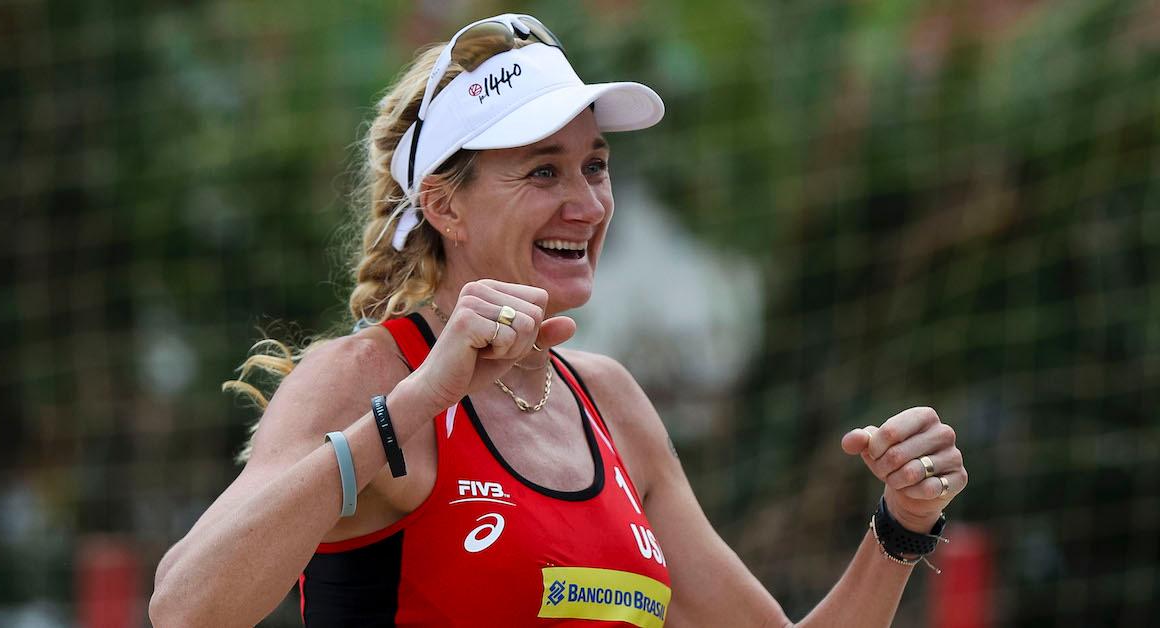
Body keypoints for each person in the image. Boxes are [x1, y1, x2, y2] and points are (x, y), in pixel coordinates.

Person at [149, 13, 968, 628]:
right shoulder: (370, 376)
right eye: (543, 170)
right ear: (444, 206)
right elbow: (183, 607)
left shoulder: (611, 402)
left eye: (596, 166)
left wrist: (902, 528)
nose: (586, 203)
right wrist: (413, 408)